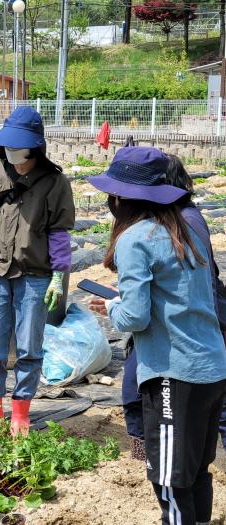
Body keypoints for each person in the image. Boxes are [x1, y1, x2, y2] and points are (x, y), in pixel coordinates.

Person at [88, 147, 226, 525]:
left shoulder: (137, 238)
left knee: (169, 480)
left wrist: (115, 308)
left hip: (172, 372)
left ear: (122, 198)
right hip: (211, 366)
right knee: (196, 471)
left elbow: (133, 316)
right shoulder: (187, 228)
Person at [0, 106, 75, 436]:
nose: (12, 152)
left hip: (35, 275)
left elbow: (59, 232)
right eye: (8, 146)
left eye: (18, 147)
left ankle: (21, 412)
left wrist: (58, 275)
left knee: (29, 347)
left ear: (34, 147)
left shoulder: (54, 182)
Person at [122, 154, 226, 460]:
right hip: (194, 325)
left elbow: (137, 313)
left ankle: (156, 452)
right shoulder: (175, 220)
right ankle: (155, 450)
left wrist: (122, 306)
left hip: (190, 330)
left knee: (142, 388)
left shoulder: (182, 223)